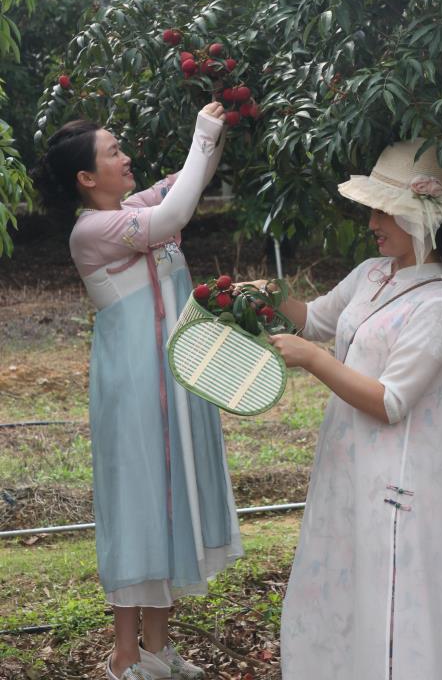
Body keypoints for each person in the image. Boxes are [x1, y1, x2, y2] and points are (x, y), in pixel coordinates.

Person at [32, 102, 243, 680]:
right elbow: (175, 213)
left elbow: (191, 177)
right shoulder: (92, 230)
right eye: (114, 152)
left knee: (169, 499)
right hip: (133, 384)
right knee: (137, 505)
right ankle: (124, 657)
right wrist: (201, 134)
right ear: (86, 177)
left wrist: (220, 124)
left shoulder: (133, 207)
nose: (126, 158)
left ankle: (157, 648)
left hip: (171, 377)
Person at [252, 138, 442, 680]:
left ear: (422, 219)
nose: (372, 222)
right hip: (346, 467)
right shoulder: (372, 272)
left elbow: (390, 400)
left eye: (384, 211)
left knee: (391, 604)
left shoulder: (438, 303)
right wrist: (269, 296)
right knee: (338, 589)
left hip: (395, 481)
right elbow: (316, 318)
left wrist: (314, 360)